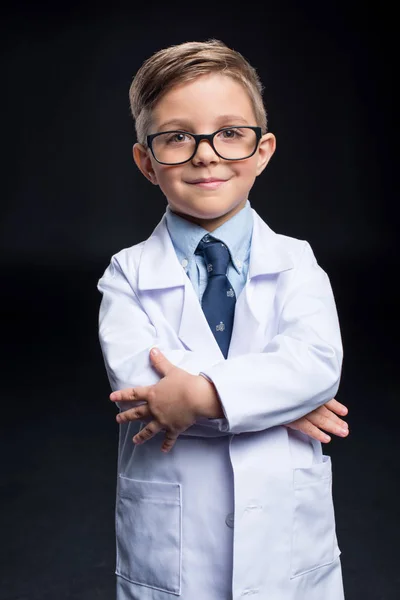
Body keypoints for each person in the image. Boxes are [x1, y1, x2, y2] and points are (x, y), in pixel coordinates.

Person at [97, 39, 349, 600]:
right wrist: (278, 401)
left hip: (286, 541)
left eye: (230, 133)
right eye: (177, 137)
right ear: (146, 161)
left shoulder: (298, 262)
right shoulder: (127, 276)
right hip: (175, 547)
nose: (205, 154)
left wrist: (201, 398)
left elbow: (315, 366)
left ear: (263, 150)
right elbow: (146, 391)